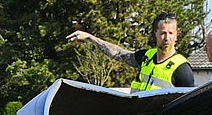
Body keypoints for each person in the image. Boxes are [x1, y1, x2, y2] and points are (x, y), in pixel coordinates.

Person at [67, 13, 195, 90]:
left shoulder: (182, 68)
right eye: (163, 33)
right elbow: (118, 53)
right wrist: (90, 37)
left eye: (171, 33)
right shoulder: (146, 57)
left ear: (176, 35)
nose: (167, 38)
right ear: (155, 34)